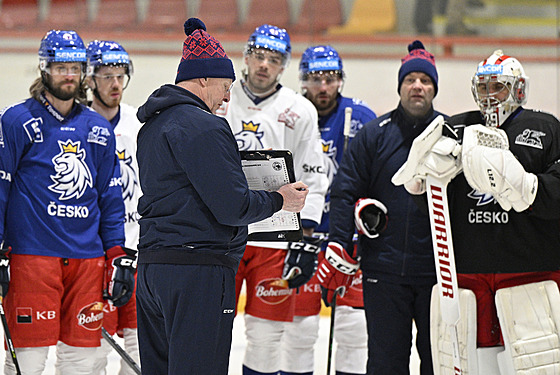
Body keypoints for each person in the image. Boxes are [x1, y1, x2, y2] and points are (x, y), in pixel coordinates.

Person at [135, 18, 308, 375]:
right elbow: (233, 206)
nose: (229, 96)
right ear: (203, 79)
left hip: (152, 270)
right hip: (198, 273)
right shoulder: (207, 126)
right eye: (225, 86)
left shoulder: (151, 126)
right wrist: (280, 200)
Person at [398, 50, 560, 374]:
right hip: (467, 279)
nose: (489, 96)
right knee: (475, 366)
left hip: (530, 274)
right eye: (483, 87)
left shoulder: (546, 129)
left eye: (498, 87)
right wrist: (424, 185)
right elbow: (439, 208)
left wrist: (529, 187)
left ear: (519, 90)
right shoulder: (456, 127)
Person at [0, 29, 135, 374]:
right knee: (27, 361)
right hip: (32, 258)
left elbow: (110, 195)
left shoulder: (97, 129)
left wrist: (116, 252)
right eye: (61, 68)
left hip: (87, 262)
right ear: (44, 69)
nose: (69, 75)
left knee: (82, 361)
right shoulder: (17, 120)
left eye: (75, 68)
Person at [320, 40, 445, 375]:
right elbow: (344, 191)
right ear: (400, 86)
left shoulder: (453, 136)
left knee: (441, 362)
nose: (417, 85)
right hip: (383, 272)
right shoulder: (374, 135)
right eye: (410, 80)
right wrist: (339, 243)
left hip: (440, 275)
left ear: (434, 88)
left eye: (425, 80)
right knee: (385, 363)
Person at [219, 23, 329, 375]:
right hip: (224, 231)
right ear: (246, 57)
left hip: (275, 236)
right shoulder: (221, 98)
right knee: (213, 329)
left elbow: (313, 175)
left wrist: (306, 235)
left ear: (284, 66)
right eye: (259, 56)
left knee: (267, 334)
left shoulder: (300, 110)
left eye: (274, 59)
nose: (265, 65)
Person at [279, 45, 377, 375]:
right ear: (303, 80)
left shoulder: (361, 118)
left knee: (353, 329)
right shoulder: (287, 112)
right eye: (316, 79)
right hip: (300, 239)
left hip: (345, 244)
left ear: (341, 80)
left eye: (331, 78)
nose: (324, 87)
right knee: (299, 331)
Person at [86, 39, 142, 375]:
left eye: (120, 75)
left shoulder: (140, 123)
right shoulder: (77, 124)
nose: (115, 83)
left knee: (139, 341)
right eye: (106, 75)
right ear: (90, 79)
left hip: (137, 246)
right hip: (93, 252)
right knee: (93, 345)